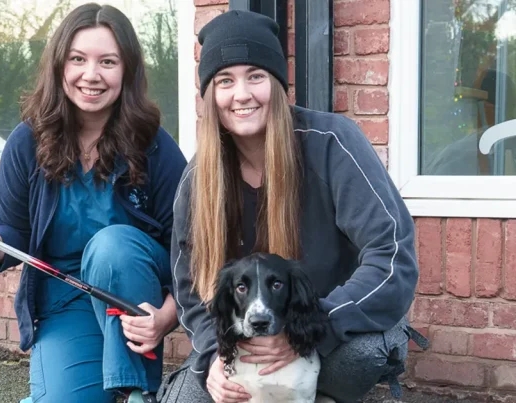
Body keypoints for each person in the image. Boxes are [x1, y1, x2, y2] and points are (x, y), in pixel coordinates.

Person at [158, 10, 429, 403]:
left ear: (278, 84)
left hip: (331, 328)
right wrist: (212, 357)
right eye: (224, 81)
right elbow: (190, 288)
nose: (242, 94)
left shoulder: (332, 143)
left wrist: (315, 328)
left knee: (363, 354)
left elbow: (392, 257)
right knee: (186, 399)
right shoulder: (198, 179)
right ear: (210, 95)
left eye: (255, 76)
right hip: (244, 344)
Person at [0, 3, 187, 403]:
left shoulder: (155, 147)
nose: (90, 75)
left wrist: (167, 316)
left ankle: (135, 394)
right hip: (65, 299)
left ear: (126, 70)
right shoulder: (26, 143)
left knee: (113, 245)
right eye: (78, 59)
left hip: (132, 299)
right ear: (60, 65)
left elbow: (192, 249)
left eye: (107, 61)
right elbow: (14, 232)